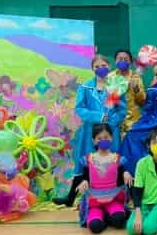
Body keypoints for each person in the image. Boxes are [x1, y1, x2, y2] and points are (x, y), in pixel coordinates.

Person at [53, 55, 126, 207]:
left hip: (110, 131)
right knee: (86, 162)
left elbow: (122, 110)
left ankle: (119, 198)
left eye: (104, 65)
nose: (101, 68)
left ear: (109, 66)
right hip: (89, 132)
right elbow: (80, 108)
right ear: (92, 69)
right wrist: (98, 116)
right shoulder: (85, 87)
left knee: (113, 162)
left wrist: (112, 121)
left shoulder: (116, 86)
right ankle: (71, 197)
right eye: (97, 66)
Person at [77, 124, 133, 234]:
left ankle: (110, 215)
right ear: (94, 141)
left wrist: (126, 173)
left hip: (113, 198)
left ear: (111, 138)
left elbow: (122, 172)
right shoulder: (89, 159)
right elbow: (86, 176)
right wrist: (83, 182)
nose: (103, 140)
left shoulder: (117, 158)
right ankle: (101, 216)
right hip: (95, 201)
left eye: (106, 137)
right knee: (95, 227)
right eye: (99, 138)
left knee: (120, 220)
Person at [110, 49, 146, 137]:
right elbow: (109, 103)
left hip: (133, 122)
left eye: (126, 59)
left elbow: (142, 102)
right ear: (115, 61)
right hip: (115, 120)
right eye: (120, 59)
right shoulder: (110, 77)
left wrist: (136, 88)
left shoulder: (136, 77)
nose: (123, 61)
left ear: (130, 62)